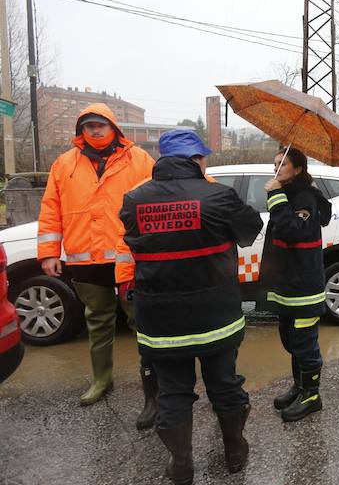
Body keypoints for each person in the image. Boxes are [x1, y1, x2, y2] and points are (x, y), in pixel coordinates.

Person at [118, 130, 262, 485]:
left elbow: (135, 241)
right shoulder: (218, 196)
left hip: (161, 321)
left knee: (172, 392)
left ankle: (181, 463)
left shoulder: (133, 200)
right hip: (216, 316)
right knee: (225, 385)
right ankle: (235, 451)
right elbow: (250, 229)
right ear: (196, 159)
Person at [37, 103, 156, 425]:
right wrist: (49, 251)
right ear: (81, 131)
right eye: (88, 125)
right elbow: (50, 209)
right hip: (86, 259)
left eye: (100, 124)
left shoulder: (140, 159)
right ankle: (101, 380)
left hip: (129, 257)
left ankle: (154, 389)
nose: (95, 130)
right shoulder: (64, 165)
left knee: (141, 323)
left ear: (113, 127)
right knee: (98, 323)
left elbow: (159, 195)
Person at [261, 147, 333, 423]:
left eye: (283, 165)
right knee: (290, 340)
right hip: (286, 285)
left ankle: (312, 395)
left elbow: (293, 231)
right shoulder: (288, 194)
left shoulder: (305, 198)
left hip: (304, 287)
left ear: (298, 169)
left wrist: (275, 196)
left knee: (304, 344)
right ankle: (300, 386)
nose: (276, 169)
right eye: (275, 164)